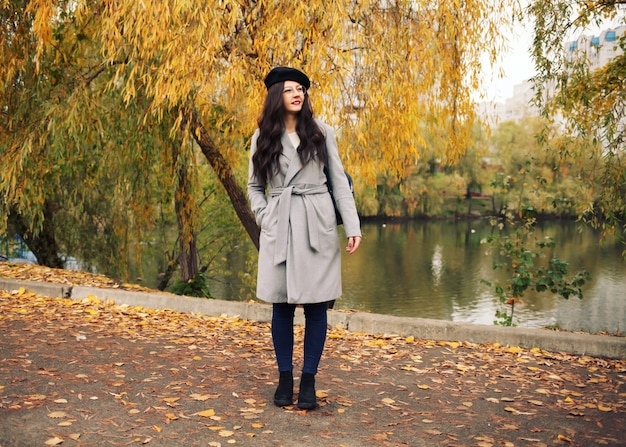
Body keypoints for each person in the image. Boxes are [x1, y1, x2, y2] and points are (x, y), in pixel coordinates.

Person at [247, 67, 362, 410]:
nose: (298, 94)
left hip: (316, 222)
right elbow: (255, 188)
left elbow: (339, 182)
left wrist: (352, 225)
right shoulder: (262, 136)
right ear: (275, 96)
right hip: (280, 224)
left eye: (302, 89)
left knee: (316, 306)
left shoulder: (322, 132)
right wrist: (266, 218)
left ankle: (309, 380)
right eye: (290, 89)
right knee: (281, 305)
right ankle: (284, 378)